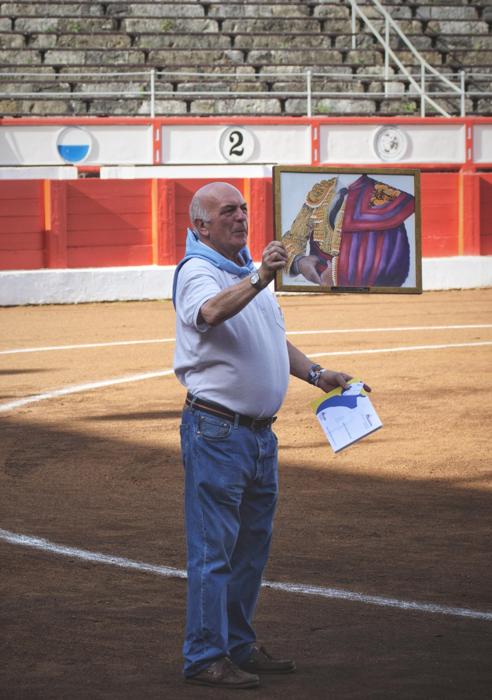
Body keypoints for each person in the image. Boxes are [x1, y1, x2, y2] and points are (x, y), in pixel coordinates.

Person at [173, 181, 370, 690]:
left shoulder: (244, 272)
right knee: (215, 551)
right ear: (201, 226)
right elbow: (210, 313)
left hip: (258, 437)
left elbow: (273, 341)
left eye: (242, 209)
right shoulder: (200, 271)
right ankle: (204, 657)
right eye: (227, 212)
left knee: (249, 552)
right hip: (217, 431)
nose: (240, 217)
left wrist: (315, 373)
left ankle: (236, 646)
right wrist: (261, 275)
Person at [282, 174, 414, 288]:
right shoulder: (321, 191)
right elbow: (294, 237)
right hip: (318, 284)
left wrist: (336, 273)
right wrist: (299, 261)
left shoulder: (383, 196)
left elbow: (391, 259)